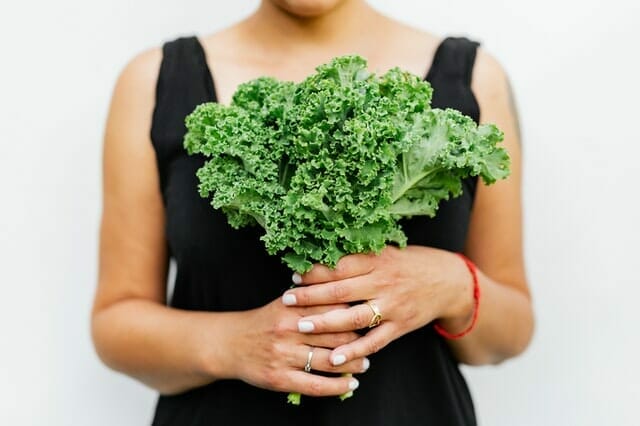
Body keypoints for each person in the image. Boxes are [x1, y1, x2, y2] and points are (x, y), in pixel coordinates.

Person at [91, 0, 534, 424]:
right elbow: (117, 322)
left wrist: (452, 285)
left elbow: (511, 330)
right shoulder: (153, 81)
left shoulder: (475, 79)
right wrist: (233, 344)